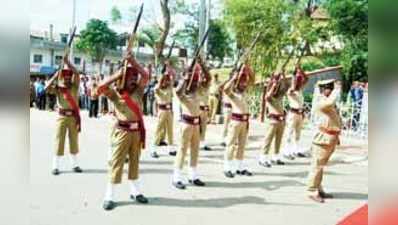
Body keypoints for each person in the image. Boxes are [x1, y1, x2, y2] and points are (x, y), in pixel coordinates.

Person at [97, 52, 150, 210]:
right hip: (122, 131)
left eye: (135, 77)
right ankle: (109, 195)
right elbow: (101, 87)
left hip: (136, 132)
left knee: (135, 162)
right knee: (117, 163)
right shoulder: (115, 94)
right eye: (130, 77)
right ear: (123, 79)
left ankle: (135, 191)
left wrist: (133, 62)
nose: (134, 80)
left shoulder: (138, 92)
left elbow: (145, 75)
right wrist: (118, 74)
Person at [44, 54, 83, 175]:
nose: (67, 79)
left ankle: (75, 165)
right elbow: (46, 88)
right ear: (62, 78)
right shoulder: (59, 88)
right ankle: (55, 166)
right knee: (59, 141)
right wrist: (56, 75)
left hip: (73, 117)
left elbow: (77, 73)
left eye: (68, 77)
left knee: (74, 141)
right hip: (61, 117)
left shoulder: (75, 86)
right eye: (64, 77)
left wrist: (68, 62)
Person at [172, 60, 206, 190]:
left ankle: (193, 176)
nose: (195, 80)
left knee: (195, 151)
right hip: (186, 123)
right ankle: (177, 177)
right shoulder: (183, 92)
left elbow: (207, 79)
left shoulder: (197, 91)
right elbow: (177, 92)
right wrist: (184, 79)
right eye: (193, 77)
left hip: (196, 124)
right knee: (182, 150)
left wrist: (201, 64)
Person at [307, 79, 342, 203]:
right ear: (323, 90)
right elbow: (330, 102)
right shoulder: (322, 102)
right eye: (329, 88)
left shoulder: (329, 103)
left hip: (330, 138)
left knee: (321, 166)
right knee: (317, 166)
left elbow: (336, 119)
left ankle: (318, 188)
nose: (331, 91)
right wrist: (337, 90)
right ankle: (311, 190)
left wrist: (337, 136)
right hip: (322, 139)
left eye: (332, 89)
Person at [222, 63, 255, 178]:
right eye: (242, 82)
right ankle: (227, 167)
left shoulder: (245, 92)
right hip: (236, 121)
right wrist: (234, 78)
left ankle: (239, 167)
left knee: (242, 145)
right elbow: (225, 89)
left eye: (244, 82)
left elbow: (252, 80)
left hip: (245, 121)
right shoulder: (233, 94)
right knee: (231, 144)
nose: (244, 84)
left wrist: (247, 68)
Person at [258, 71, 290, 167]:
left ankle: (276, 157)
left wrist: (283, 76)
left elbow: (287, 86)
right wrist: (273, 85)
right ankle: (263, 158)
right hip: (272, 120)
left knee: (278, 140)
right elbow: (267, 96)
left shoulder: (279, 96)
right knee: (268, 140)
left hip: (281, 120)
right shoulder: (270, 95)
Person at [283, 65, 309, 160]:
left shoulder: (300, 90)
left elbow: (306, 79)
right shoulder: (291, 90)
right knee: (289, 132)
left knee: (298, 133)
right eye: (298, 78)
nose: (300, 80)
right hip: (293, 113)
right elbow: (291, 89)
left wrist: (300, 70)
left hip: (299, 113)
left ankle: (295, 150)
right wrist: (295, 77)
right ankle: (286, 151)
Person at [151, 60, 176, 158]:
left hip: (169, 111)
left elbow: (173, 78)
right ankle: (153, 149)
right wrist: (162, 77)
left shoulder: (169, 87)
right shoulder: (158, 89)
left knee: (170, 130)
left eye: (167, 80)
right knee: (158, 130)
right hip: (162, 110)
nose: (167, 81)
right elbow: (156, 87)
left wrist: (168, 67)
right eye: (165, 80)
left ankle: (171, 149)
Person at [197, 58, 212, 151]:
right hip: (198, 108)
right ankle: (195, 142)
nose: (203, 78)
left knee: (204, 127)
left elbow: (209, 77)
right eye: (201, 76)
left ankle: (202, 143)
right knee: (197, 128)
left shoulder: (206, 85)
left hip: (205, 109)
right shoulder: (197, 86)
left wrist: (202, 65)